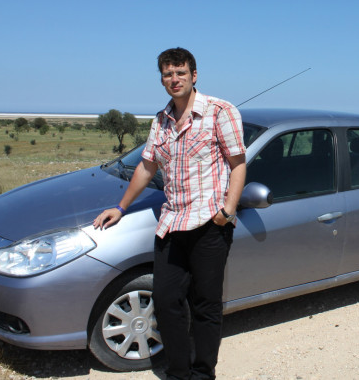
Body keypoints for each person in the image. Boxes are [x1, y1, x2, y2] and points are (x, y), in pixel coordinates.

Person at [93, 47, 247, 380]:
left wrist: (228, 210)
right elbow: (147, 166)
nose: (174, 79)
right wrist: (120, 207)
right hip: (172, 223)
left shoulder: (221, 111)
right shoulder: (161, 120)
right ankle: (178, 372)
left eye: (180, 72)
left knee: (205, 305)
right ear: (162, 79)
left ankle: (203, 373)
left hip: (209, 225)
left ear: (194, 75)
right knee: (166, 301)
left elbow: (238, 163)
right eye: (168, 74)